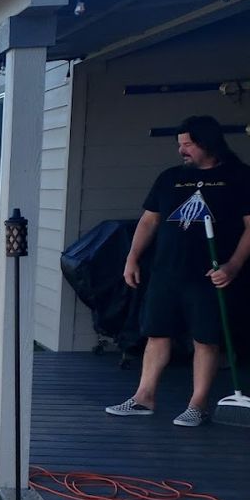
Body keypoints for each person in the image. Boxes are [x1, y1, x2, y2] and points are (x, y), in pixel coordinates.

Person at [105, 115, 250, 426]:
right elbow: (149, 221)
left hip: (211, 274)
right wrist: (131, 258)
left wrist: (234, 265)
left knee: (205, 339)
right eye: (180, 145)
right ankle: (144, 397)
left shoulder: (240, 177)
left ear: (208, 143)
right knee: (156, 333)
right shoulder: (170, 177)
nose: (182, 151)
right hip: (167, 272)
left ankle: (197, 405)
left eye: (188, 145)